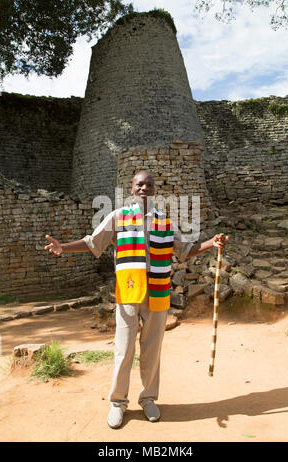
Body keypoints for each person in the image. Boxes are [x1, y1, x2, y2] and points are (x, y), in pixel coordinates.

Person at [45, 170, 228, 429]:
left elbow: (186, 251)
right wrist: (63, 248)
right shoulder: (118, 216)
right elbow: (93, 242)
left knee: (152, 350)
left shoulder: (164, 221)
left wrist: (211, 242)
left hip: (158, 292)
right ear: (132, 189)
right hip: (129, 292)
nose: (144, 188)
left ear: (154, 189)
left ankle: (149, 398)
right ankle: (118, 403)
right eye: (139, 184)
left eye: (149, 184)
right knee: (123, 350)